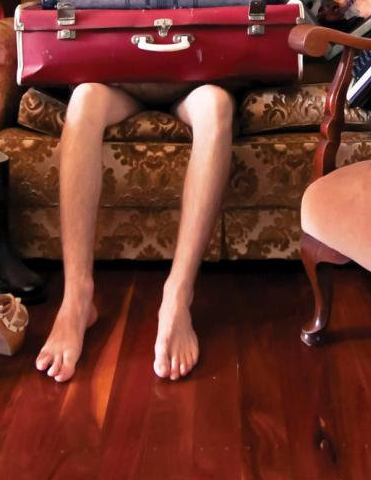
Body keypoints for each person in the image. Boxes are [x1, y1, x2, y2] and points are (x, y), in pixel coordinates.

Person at [35, 81, 234, 384]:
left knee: (216, 104)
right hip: (121, 80)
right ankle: (76, 299)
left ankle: (178, 297)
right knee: (84, 98)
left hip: (198, 80)